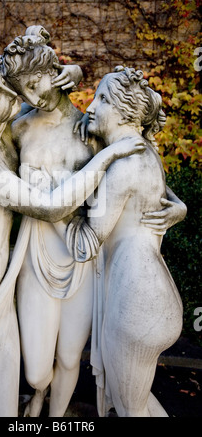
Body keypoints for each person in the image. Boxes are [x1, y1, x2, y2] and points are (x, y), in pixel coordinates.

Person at [0, 53, 143, 417]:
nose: (19, 98)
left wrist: (73, 73)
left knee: (1, 408)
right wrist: (105, 158)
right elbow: (50, 207)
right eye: (7, 92)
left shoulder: (1, 144)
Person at [68, 66, 184, 417]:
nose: (90, 107)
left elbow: (87, 244)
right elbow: (161, 194)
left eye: (102, 100)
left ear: (123, 112)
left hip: (139, 304)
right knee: (133, 401)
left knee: (130, 407)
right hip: (151, 296)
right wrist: (180, 207)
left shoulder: (123, 167)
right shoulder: (146, 152)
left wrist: (51, 207)